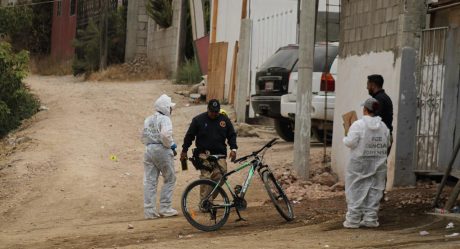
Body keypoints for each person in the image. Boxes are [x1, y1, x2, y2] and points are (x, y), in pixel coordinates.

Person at [342, 98, 390, 228]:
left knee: (355, 188)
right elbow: (387, 143)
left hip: (359, 163)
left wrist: (345, 136)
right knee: (375, 189)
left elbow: (350, 143)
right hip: (378, 163)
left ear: (364, 110)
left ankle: (353, 219)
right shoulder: (383, 126)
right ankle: (370, 218)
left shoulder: (358, 125)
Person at [180, 99, 238, 197]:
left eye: (216, 111)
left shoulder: (224, 120)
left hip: (220, 154)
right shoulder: (198, 120)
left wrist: (233, 149)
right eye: (212, 111)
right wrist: (184, 150)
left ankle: (209, 199)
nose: (214, 114)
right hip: (204, 154)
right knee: (205, 178)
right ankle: (204, 202)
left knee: (221, 176)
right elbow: (189, 136)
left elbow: (232, 135)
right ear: (208, 109)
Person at [142, 94, 178, 219]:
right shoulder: (165, 119)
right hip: (161, 149)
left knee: (150, 181)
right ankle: (165, 207)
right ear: (165, 107)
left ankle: (149, 211)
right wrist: (171, 145)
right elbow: (166, 135)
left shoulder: (148, 119)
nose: (171, 110)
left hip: (149, 149)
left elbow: (143, 136)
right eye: (170, 107)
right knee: (170, 178)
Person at [366, 74, 393, 155]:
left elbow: (375, 121)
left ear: (373, 85)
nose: (366, 87)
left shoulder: (379, 99)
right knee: (380, 164)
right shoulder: (384, 97)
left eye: (368, 85)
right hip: (385, 137)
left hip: (381, 138)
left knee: (377, 165)